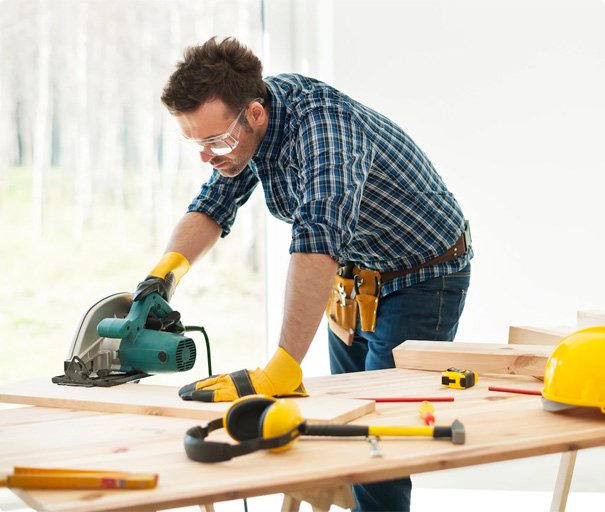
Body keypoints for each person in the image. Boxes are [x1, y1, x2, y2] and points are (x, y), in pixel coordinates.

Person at [133, 36, 473, 512]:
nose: (207, 156)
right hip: (357, 278)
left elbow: (317, 242)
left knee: (379, 447)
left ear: (255, 113)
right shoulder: (247, 131)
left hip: (423, 277)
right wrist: (161, 278)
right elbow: (213, 205)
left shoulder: (326, 133)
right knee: (343, 423)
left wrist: (284, 366)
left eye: (215, 141)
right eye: (195, 143)